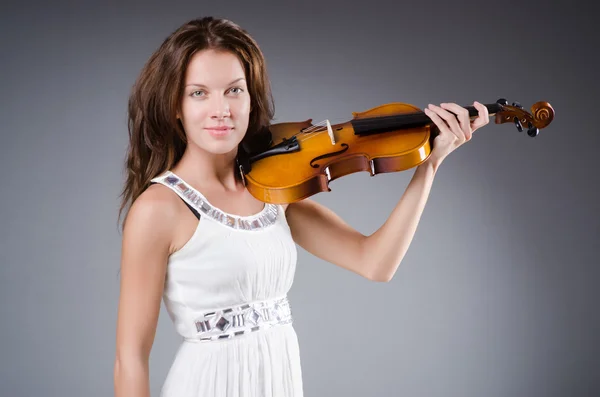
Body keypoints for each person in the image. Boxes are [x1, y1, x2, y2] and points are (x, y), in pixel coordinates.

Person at [113, 16, 490, 397]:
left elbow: (375, 262)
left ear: (251, 98)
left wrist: (429, 165)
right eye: (198, 93)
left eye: (234, 90)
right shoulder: (159, 208)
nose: (221, 109)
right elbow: (129, 359)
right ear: (175, 105)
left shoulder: (272, 189)